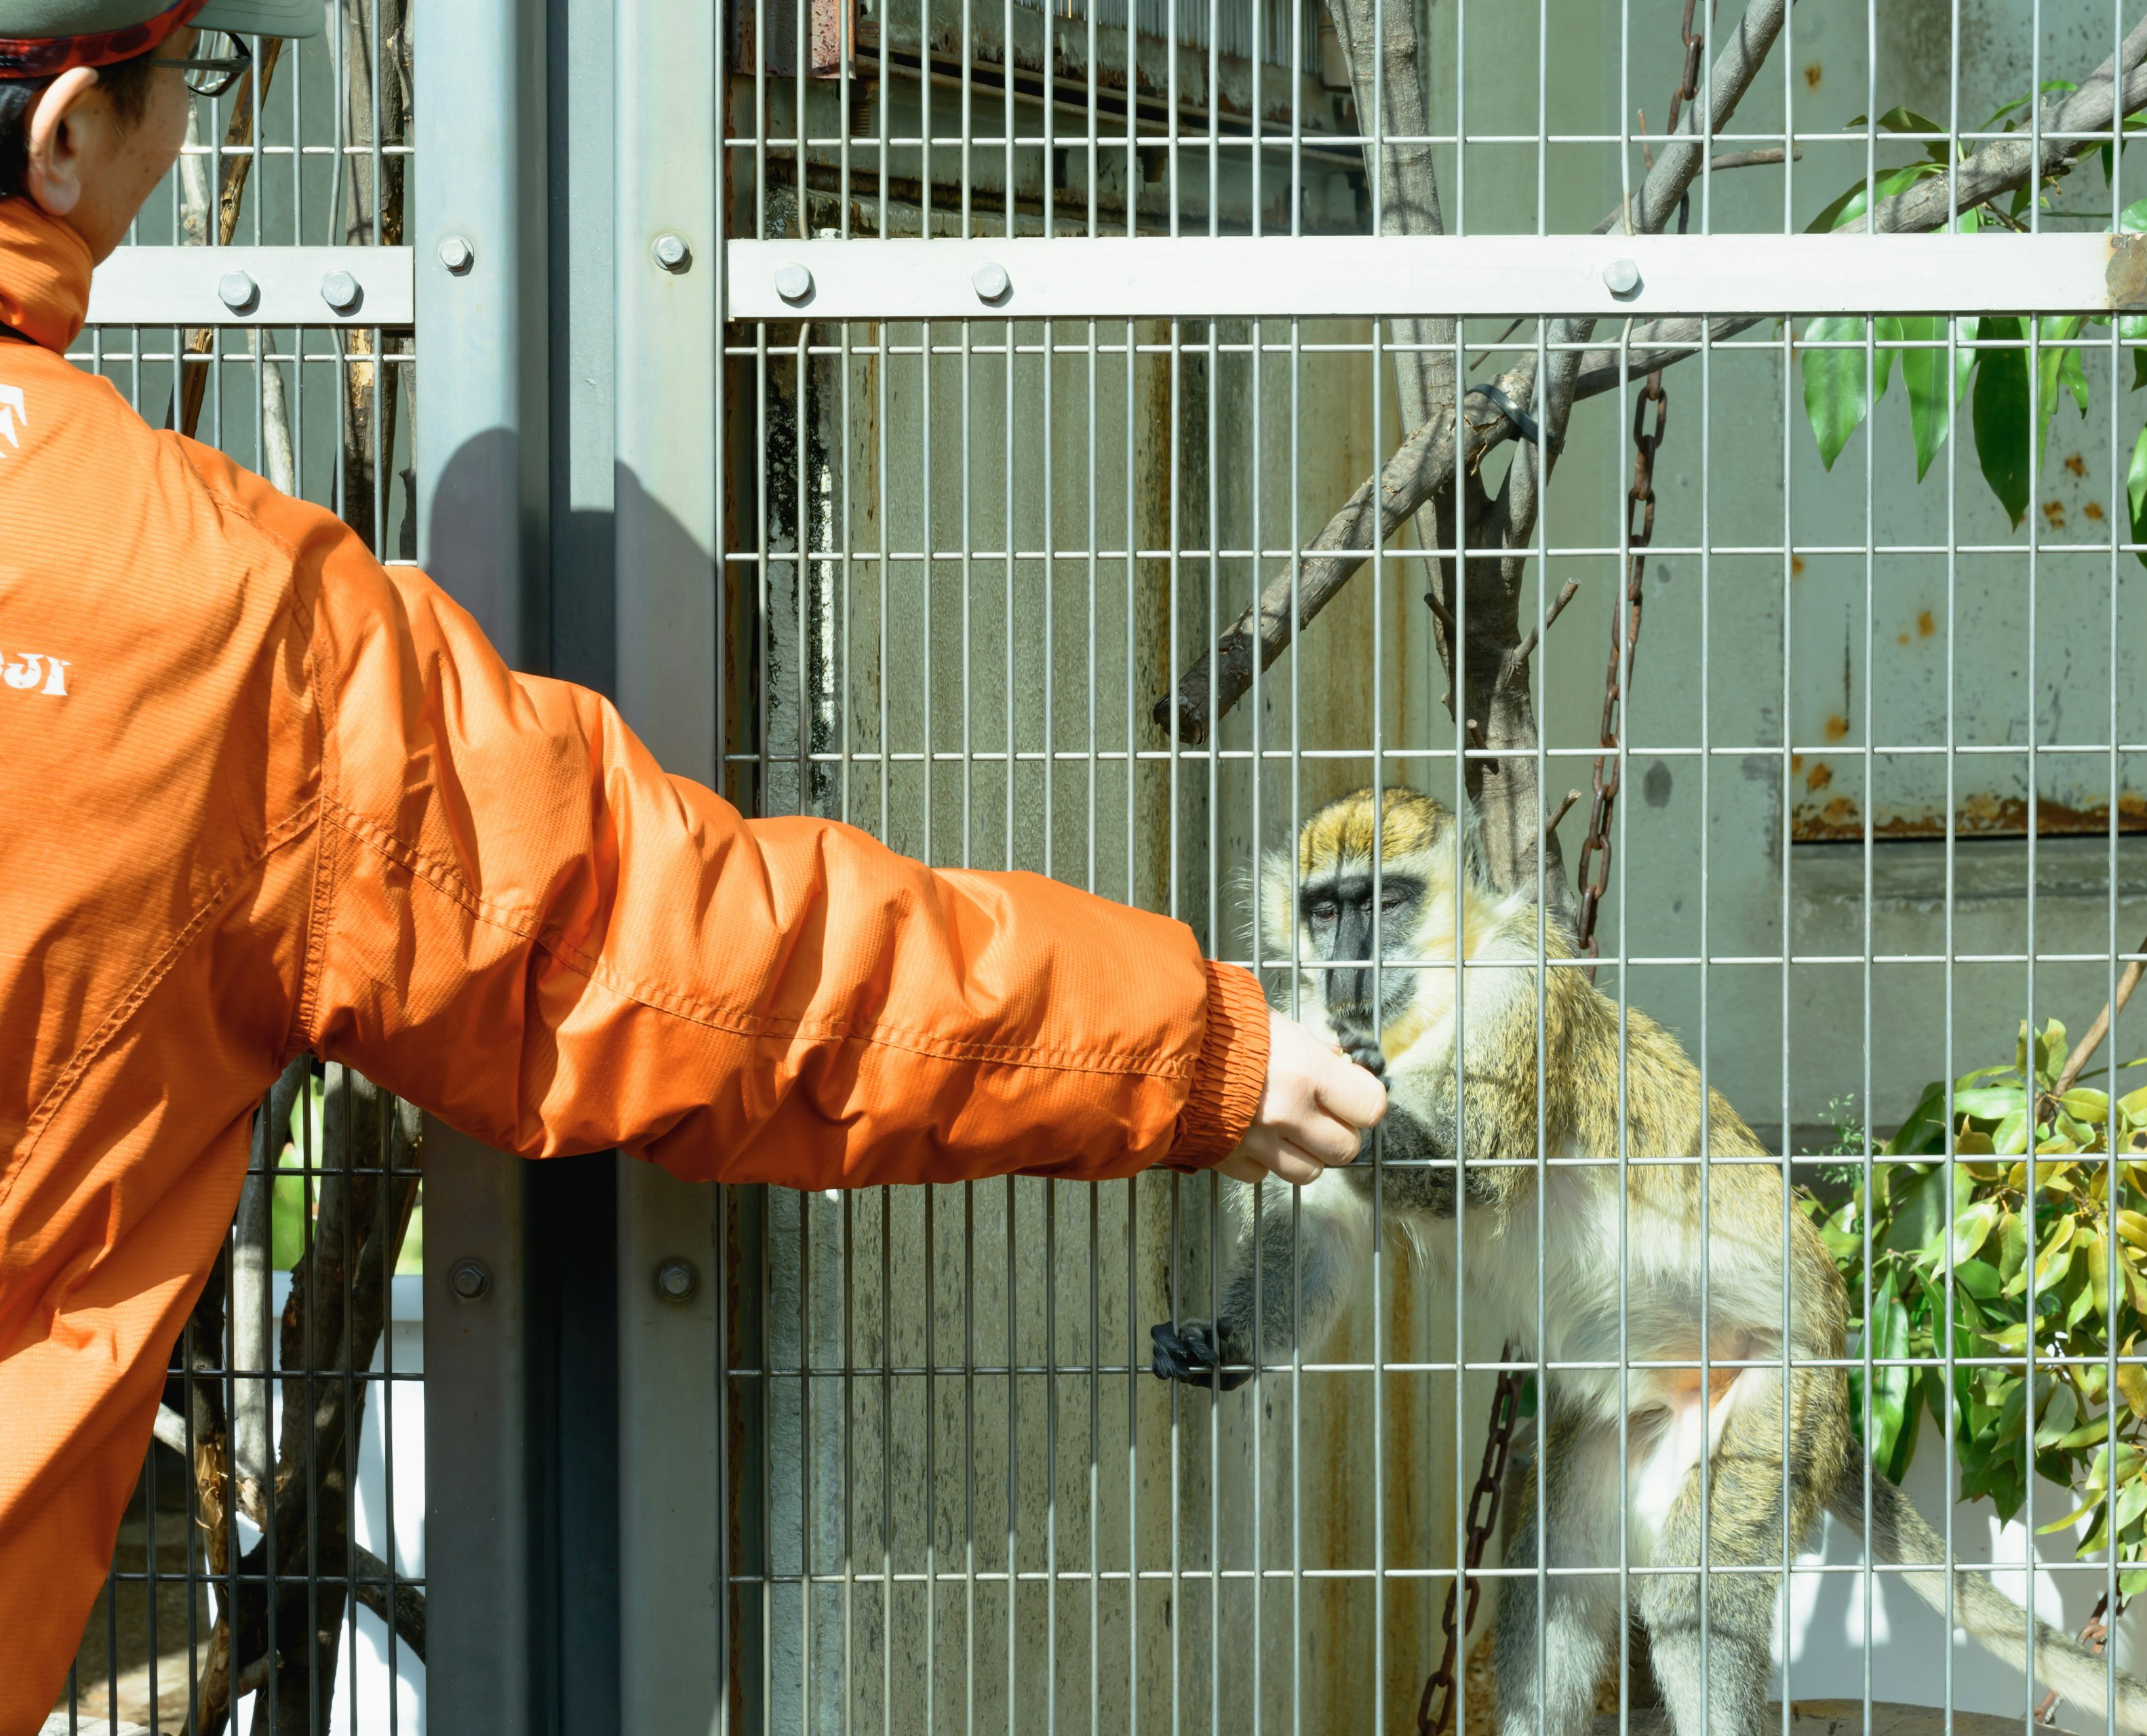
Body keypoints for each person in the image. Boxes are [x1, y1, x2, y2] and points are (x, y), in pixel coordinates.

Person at [0, 3, 1386, 1720]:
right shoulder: (206, 623)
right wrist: (1186, 1044)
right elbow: (690, 961)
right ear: (63, 136)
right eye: (192, 88)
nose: (197, 139)